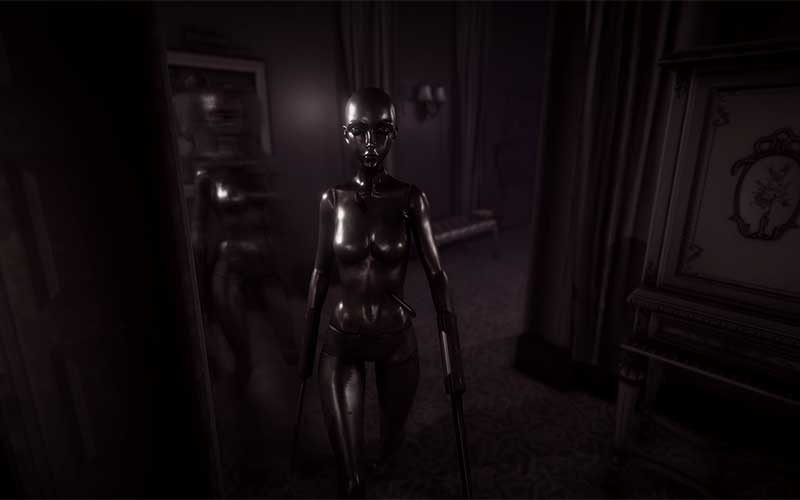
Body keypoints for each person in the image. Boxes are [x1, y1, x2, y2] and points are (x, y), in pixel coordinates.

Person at [299, 88, 466, 498]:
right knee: (351, 479)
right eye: (360, 131)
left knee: (391, 448)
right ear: (346, 134)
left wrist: (453, 354)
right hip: (344, 337)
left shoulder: (411, 199)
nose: (371, 143)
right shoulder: (332, 200)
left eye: (382, 131)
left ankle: (386, 453)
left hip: (396, 338)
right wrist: (306, 345)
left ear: (395, 134)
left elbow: (437, 274)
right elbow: (320, 272)